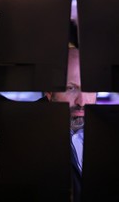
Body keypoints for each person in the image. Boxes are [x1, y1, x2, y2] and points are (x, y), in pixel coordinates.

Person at [37, 43, 97, 202]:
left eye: (89, 88)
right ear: (49, 92)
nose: (82, 101)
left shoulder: (110, 133)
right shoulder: (28, 136)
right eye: (71, 89)